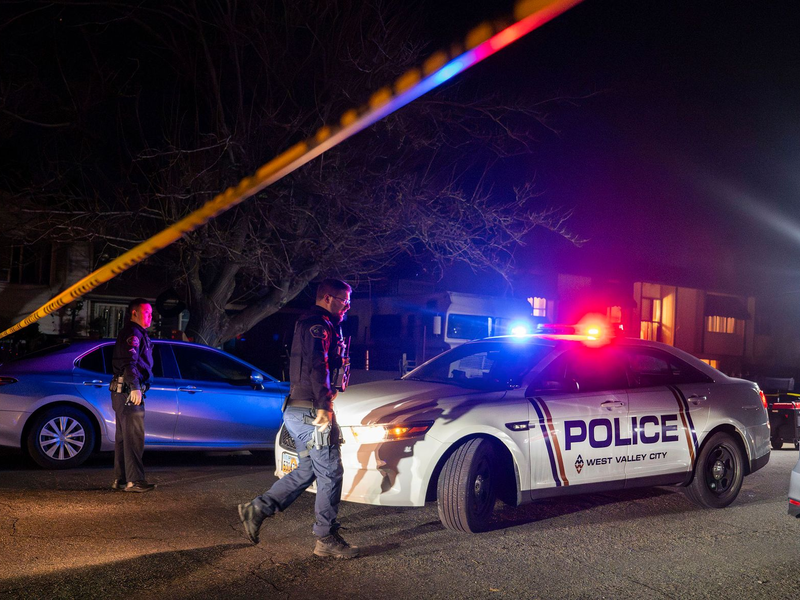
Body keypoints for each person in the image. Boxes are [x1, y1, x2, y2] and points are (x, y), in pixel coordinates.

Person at [238, 278, 357, 558]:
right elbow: (318, 365)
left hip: (298, 411)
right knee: (330, 472)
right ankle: (325, 538)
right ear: (327, 298)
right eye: (344, 301)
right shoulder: (318, 325)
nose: (347, 307)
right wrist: (324, 406)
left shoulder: (317, 323)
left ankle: (258, 509)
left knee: (309, 469)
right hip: (311, 412)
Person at [110, 298, 156, 493]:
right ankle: (134, 481)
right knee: (134, 438)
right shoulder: (133, 333)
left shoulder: (135, 332)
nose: (150, 317)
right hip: (129, 391)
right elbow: (129, 362)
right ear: (134, 313)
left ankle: (121, 479)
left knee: (123, 439)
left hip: (122, 392)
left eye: (151, 313)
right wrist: (135, 387)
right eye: (146, 312)